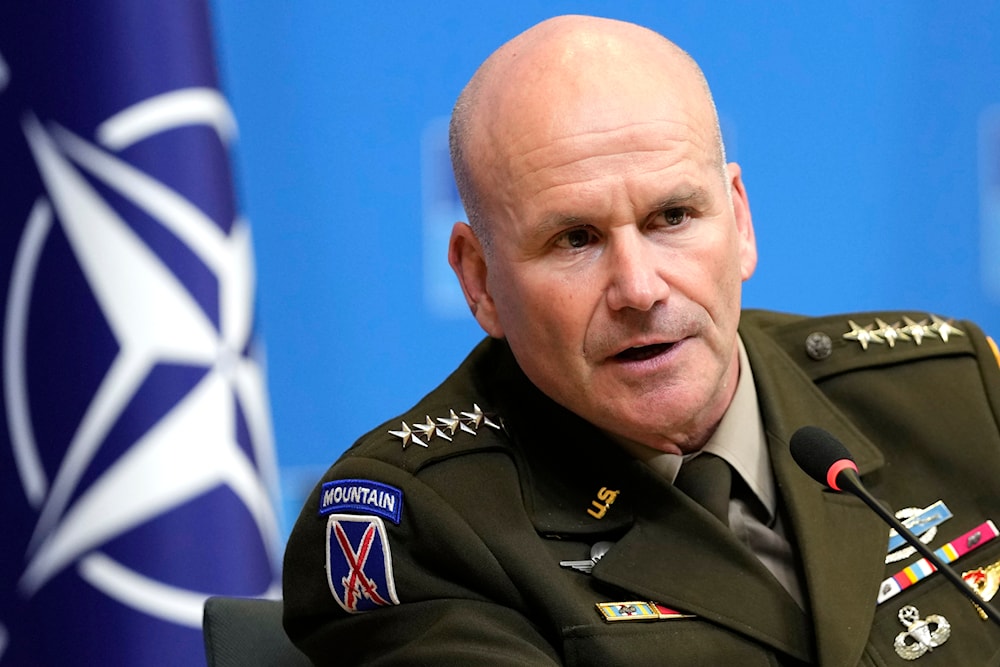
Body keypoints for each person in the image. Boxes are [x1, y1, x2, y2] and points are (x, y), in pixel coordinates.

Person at [282, 14, 1000, 665]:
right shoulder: (419, 530)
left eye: (673, 217)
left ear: (740, 221)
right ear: (480, 280)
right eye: (575, 239)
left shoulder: (952, 390)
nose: (639, 288)